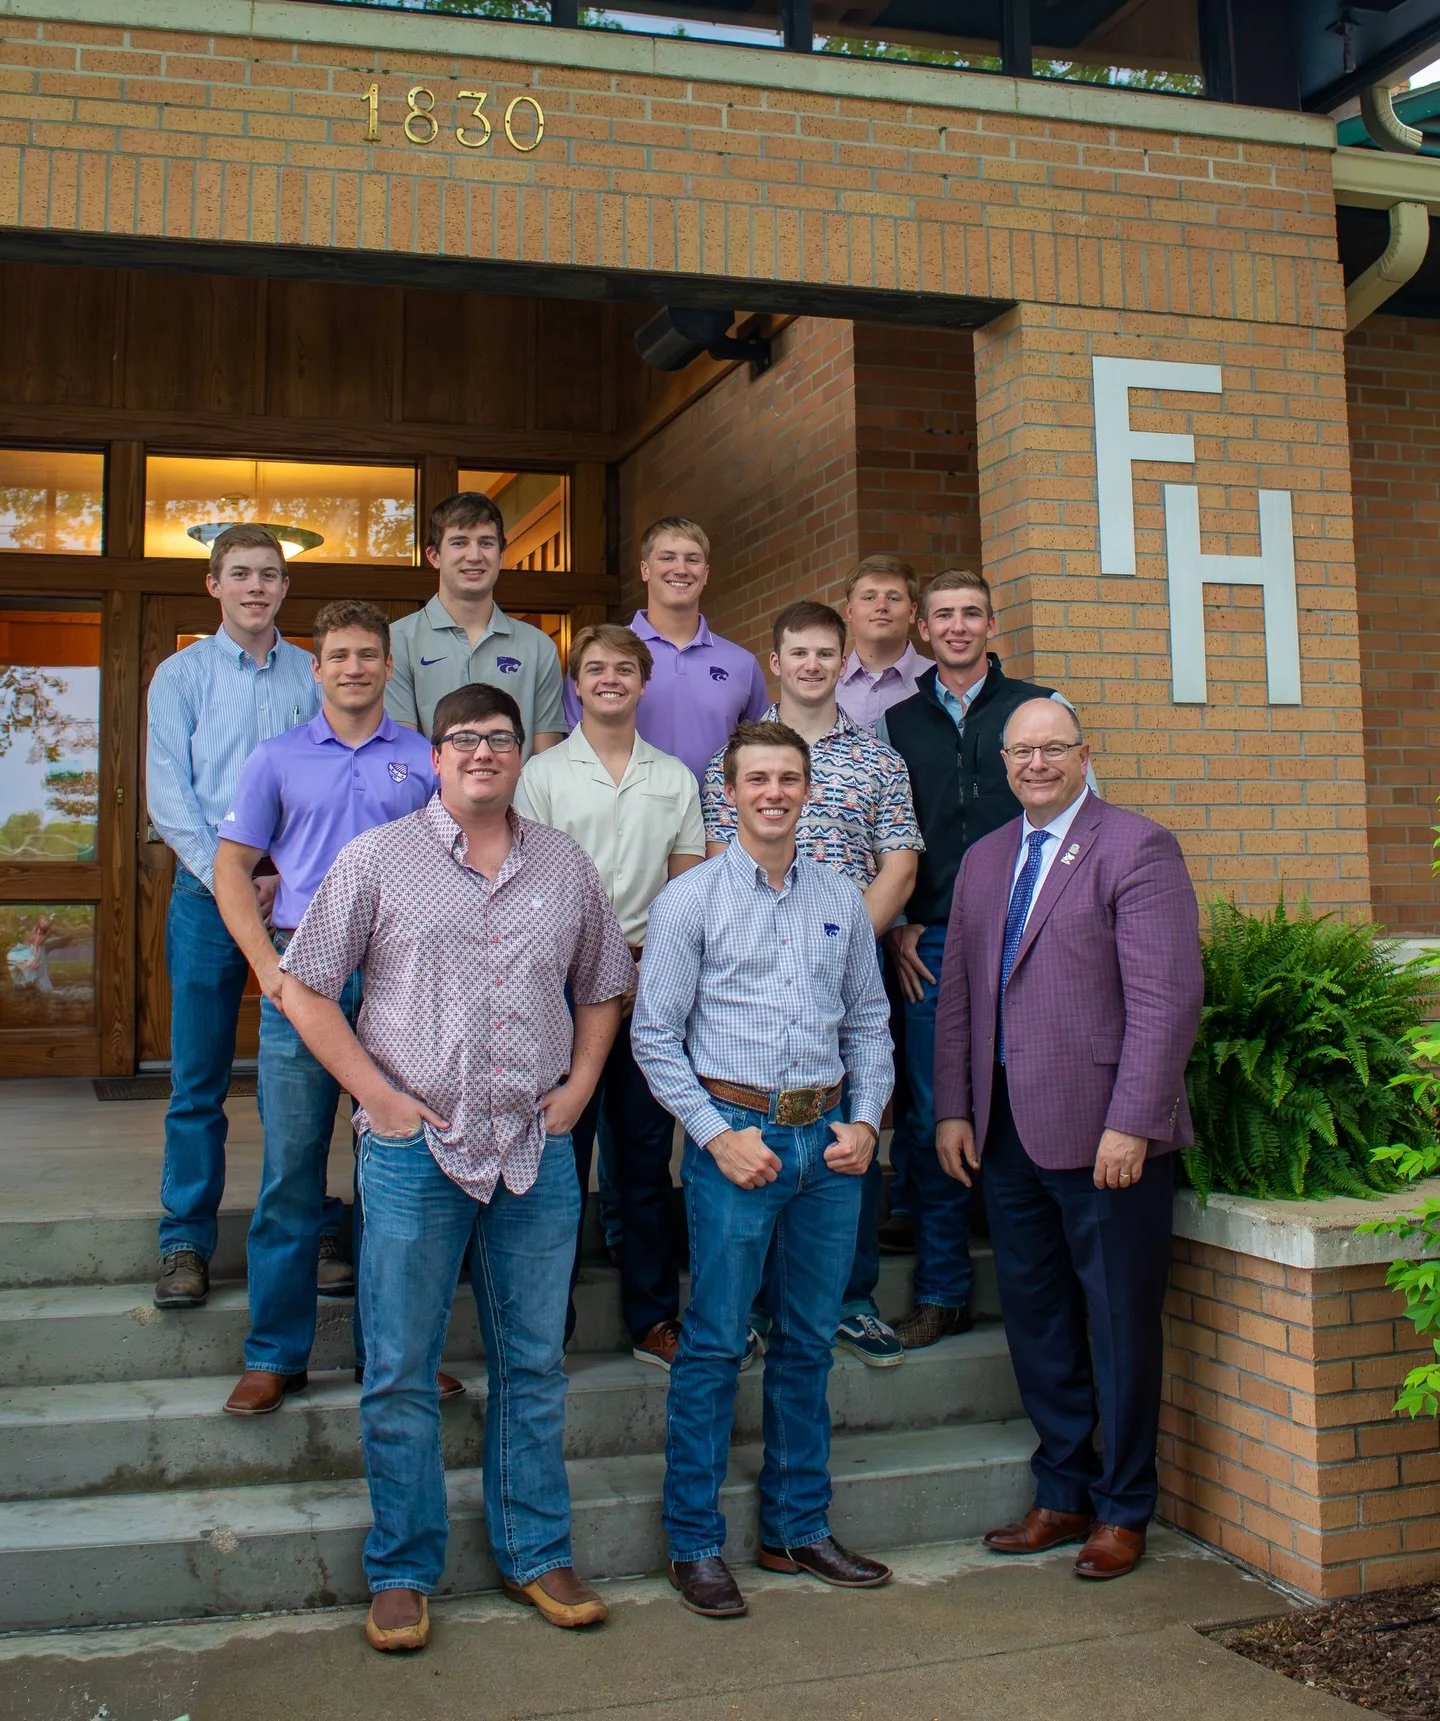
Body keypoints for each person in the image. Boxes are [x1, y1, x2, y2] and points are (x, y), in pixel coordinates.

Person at [277, 682, 635, 1652]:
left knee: (534, 1363)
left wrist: (583, 1082)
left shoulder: (565, 865)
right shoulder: (378, 859)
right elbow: (302, 987)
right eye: (464, 738)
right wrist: (376, 1097)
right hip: (412, 1154)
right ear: (434, 755)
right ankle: (400, 1567)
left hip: (535, 1148)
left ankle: (537, 1551)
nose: (483, 751)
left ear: (523, 755)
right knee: (397, 1368)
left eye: (501, 738)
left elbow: (606, 982)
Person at [933, 698, 1202, 1582]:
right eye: (1023, 750)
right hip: (1005, 1133)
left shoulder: (1137, 846)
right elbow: (963, 996)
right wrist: (954, 1108)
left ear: (1086, 753)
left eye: (1055, 748)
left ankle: (1125, 1507)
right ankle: (1062, 1492)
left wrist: (1135, 1118)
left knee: (1118, 1325)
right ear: (1003, 761)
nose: (1037, 762)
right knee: (1039, 1320)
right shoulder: (982, 859)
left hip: (1105, 1137)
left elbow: (1166, 1001)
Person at [633, 720, 894, 1621]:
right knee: (711, 1344)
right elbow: (654, 1038)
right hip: (734, 1140)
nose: (774, 792)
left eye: (789, 777)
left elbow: (868, 1023)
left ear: (808, 790)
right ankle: (695, 1543)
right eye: (757, 779)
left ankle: (796, 1526)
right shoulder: (692, 900)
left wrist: (865, 1120)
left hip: (827, 1146)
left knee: (809, 1341)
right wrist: (711, 1134)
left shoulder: (840, 898)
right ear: (730, 794)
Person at [212, 600, 456, 1417]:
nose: (354, 667)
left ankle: (393, 1356)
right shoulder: (276, 758)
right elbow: (231, 869)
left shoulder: (426, 759)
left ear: (390, 666)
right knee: (291, 1171)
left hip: (399, 983)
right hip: (304, 979)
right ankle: (275, 1353)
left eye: (367, 655)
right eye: (338, 655)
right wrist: (269, 971)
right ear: (314, 669)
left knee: (397, 1174)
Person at [700, 601, 921, 1368]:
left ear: (844, 657)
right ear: (776, 659)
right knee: (759, 1133)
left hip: (846, 976)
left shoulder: (880, 762)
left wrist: (841, 940)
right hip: (749, 988)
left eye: (828, 652)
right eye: (799, 652)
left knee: (851, 1127)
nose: (813, 665)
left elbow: (900, 862)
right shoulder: (733, 762)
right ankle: (761, 1303)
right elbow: (716, 870)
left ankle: (850, 1299)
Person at [878, 569, 1084, 1351]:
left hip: (1032, 934)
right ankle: (942, 1289)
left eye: (971, 613)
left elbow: (1073, 814)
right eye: (943, 616)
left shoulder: (1038, 710)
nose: (958, 626)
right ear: (922, 631)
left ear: (992, 623)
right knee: (937, 1116)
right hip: (931, 940)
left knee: (1034, 1095)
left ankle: (1044, 1277)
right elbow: (882, 832)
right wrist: (896, 918)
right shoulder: (897, 722)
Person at [145, 523, 334, 1311]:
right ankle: (186, 1240)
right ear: (214, 585)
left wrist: (280, 872)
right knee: (199, 1078)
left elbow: (329, 776)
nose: (256, 586)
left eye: (270, 575)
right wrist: (233, 878)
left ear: (286, 589)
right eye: (241, 573)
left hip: (298, 900)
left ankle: (315, 1227)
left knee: (307, 1077)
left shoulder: (314, 673)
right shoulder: (180, 675)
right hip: (204, 897)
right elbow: (169, 794)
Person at [515, 623, 705, 1370]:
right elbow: (531, 881)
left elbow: (687, 885)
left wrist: (643, 970)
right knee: (560, 1156)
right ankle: (545, 1323)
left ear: (643, 681)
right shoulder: (544, 775)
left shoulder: (675, 776)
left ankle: (653, 1317)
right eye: (595, 669)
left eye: (624, 668)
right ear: (577, 683)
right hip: (561, 983)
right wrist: (593, 972)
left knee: (646, 1158)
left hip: (649, 979)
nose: (610, 680)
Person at [564, 517, 768, 782]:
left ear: (705, 574)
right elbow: (572, 745)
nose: (680, 569)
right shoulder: (601, 659)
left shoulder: (742, 664)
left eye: (692, 559)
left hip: (718, 817)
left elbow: (762, 754)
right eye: (668, 558)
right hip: (623, 814)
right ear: (645, 569)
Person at [386, 491, 565, 761]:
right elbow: (403, 753)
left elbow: (546, 757)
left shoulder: (538, 647)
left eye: (486, 543)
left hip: (517, 802)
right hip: (430, 801)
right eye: (459, 543)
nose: (474, 555)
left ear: (502, 555)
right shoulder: (397, 641)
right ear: (434, 556)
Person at [835, 554, 934, 732]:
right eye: (869, 598)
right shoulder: (826, 685)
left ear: (912, 612)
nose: (881, 606)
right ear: (849, 611)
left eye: (894, 598)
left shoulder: (939, 681)